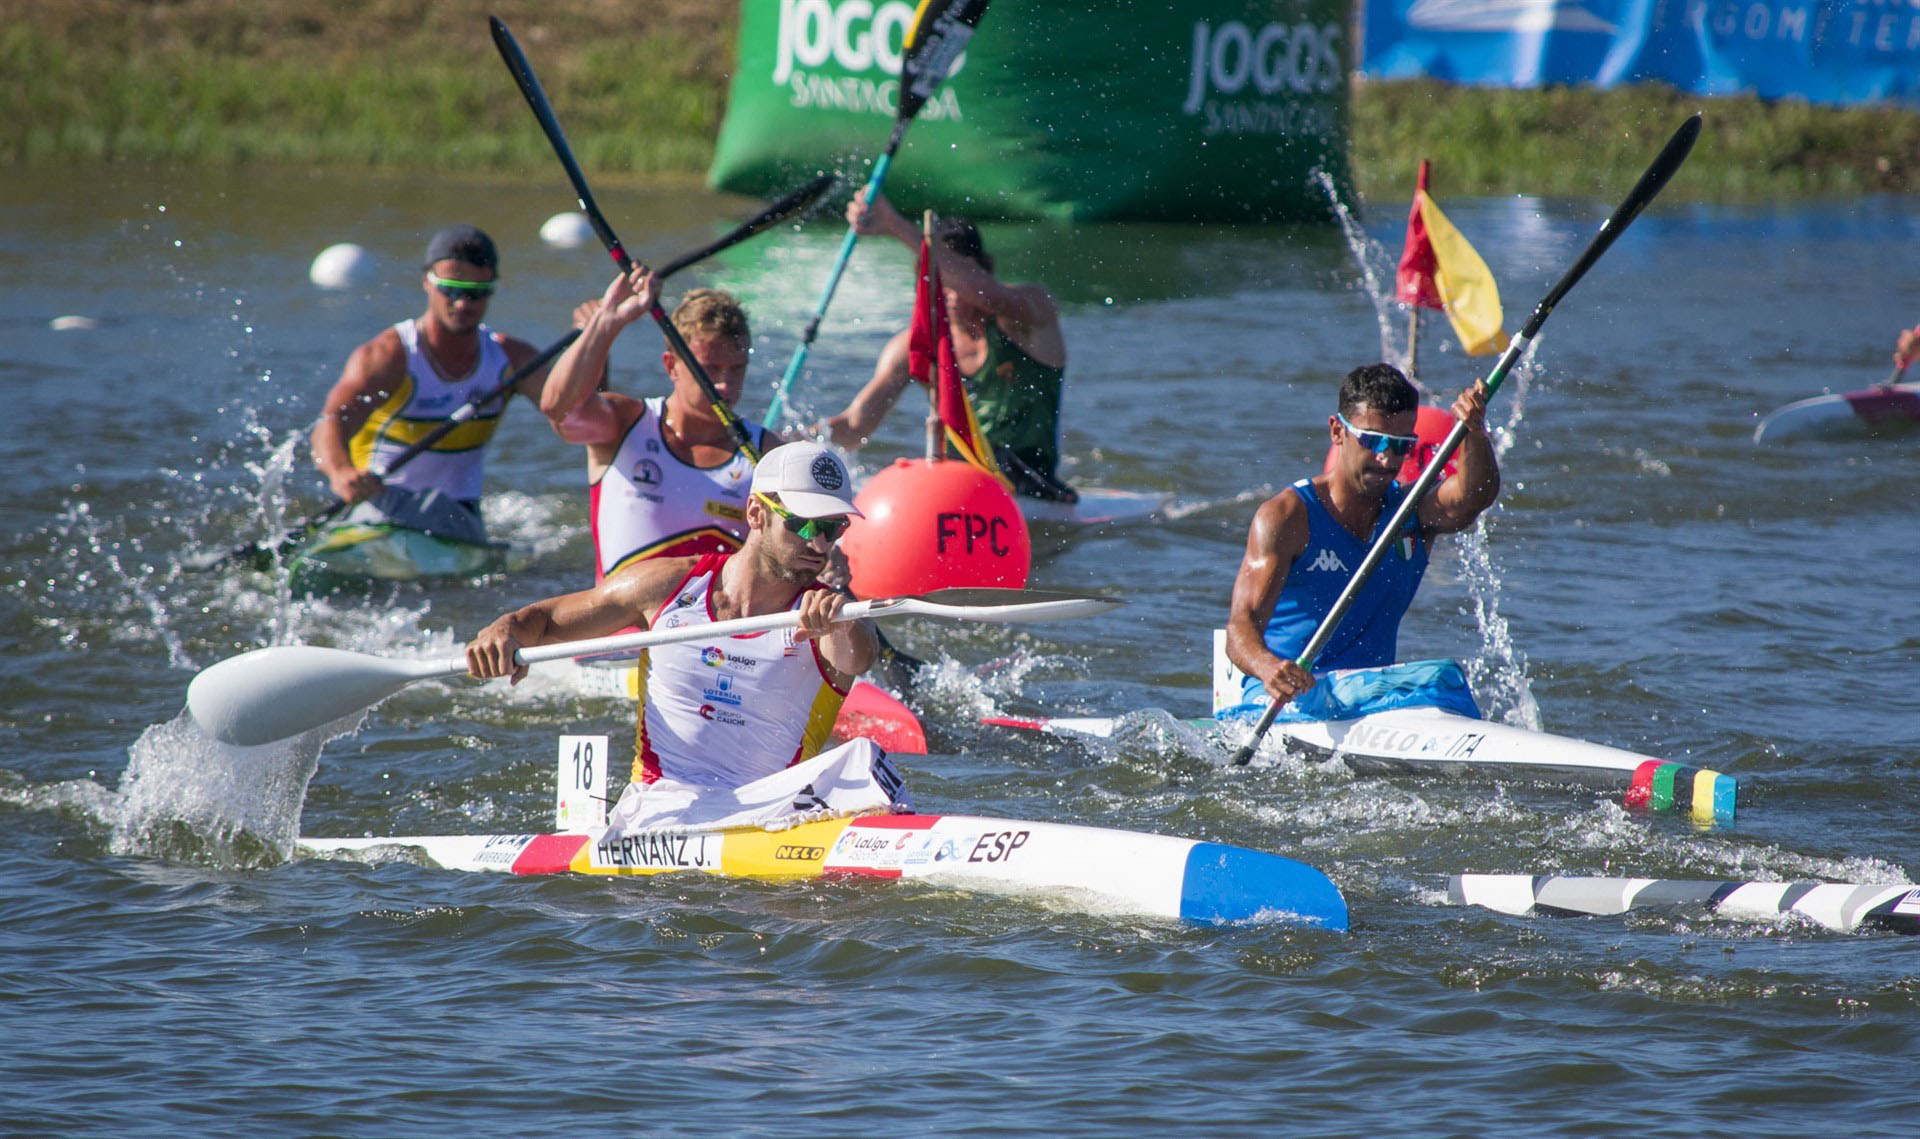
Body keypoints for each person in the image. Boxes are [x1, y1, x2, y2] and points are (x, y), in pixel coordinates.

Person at [468, 442, 878, 795]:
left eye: (833, 527)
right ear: (755, 513)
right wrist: (502, 631)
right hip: (661, 806)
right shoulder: (666, 585)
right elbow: (542, 621)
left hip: (774, 815)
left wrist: (842, 621)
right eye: (804, 524)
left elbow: (860, 655)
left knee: (868, 763)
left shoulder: (830, 615)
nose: (821, 543)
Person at [1225, 363, 1500, 714]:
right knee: (1438, 678)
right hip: (1284, 699)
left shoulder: (1411, 513)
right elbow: (1240, 628)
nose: (1386, 457)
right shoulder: (1288, 516)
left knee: (1443, 677)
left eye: (1401, 446)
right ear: (1337, 431)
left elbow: (1473, 496)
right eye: (1372, 441)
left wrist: (1474, 432)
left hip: (1370, 697)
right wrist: (1268, 667)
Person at [820, 193, 1076, 502]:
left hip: (1031, 487)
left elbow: (991, 297)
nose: (950, 294)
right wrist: (779, 444)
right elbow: (855, 425)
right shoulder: (914, 346)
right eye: (938, 282)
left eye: (956, 279)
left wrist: (897, 226)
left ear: (985, 270)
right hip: (961, 490)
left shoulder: (1031, 314)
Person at [310, 225, 550, 545]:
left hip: (458, 517)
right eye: (451, 289)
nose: (463, 303)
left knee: (443, 516)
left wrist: (597, 340)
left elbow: (579, 419)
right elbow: (332, 420)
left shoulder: (512, 360)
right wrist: (341, 473)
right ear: (427, 282)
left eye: (476, 292)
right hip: (382, 505)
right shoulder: (388, 356)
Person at [539, 266, 783, 581]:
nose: (725, 385)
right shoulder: (623, 424)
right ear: (671, 366)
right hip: (626, 625)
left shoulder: (765, 453)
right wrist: (608, 322)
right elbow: (558, 407)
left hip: (717, 625)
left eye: (736, 369)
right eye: (710, 369)